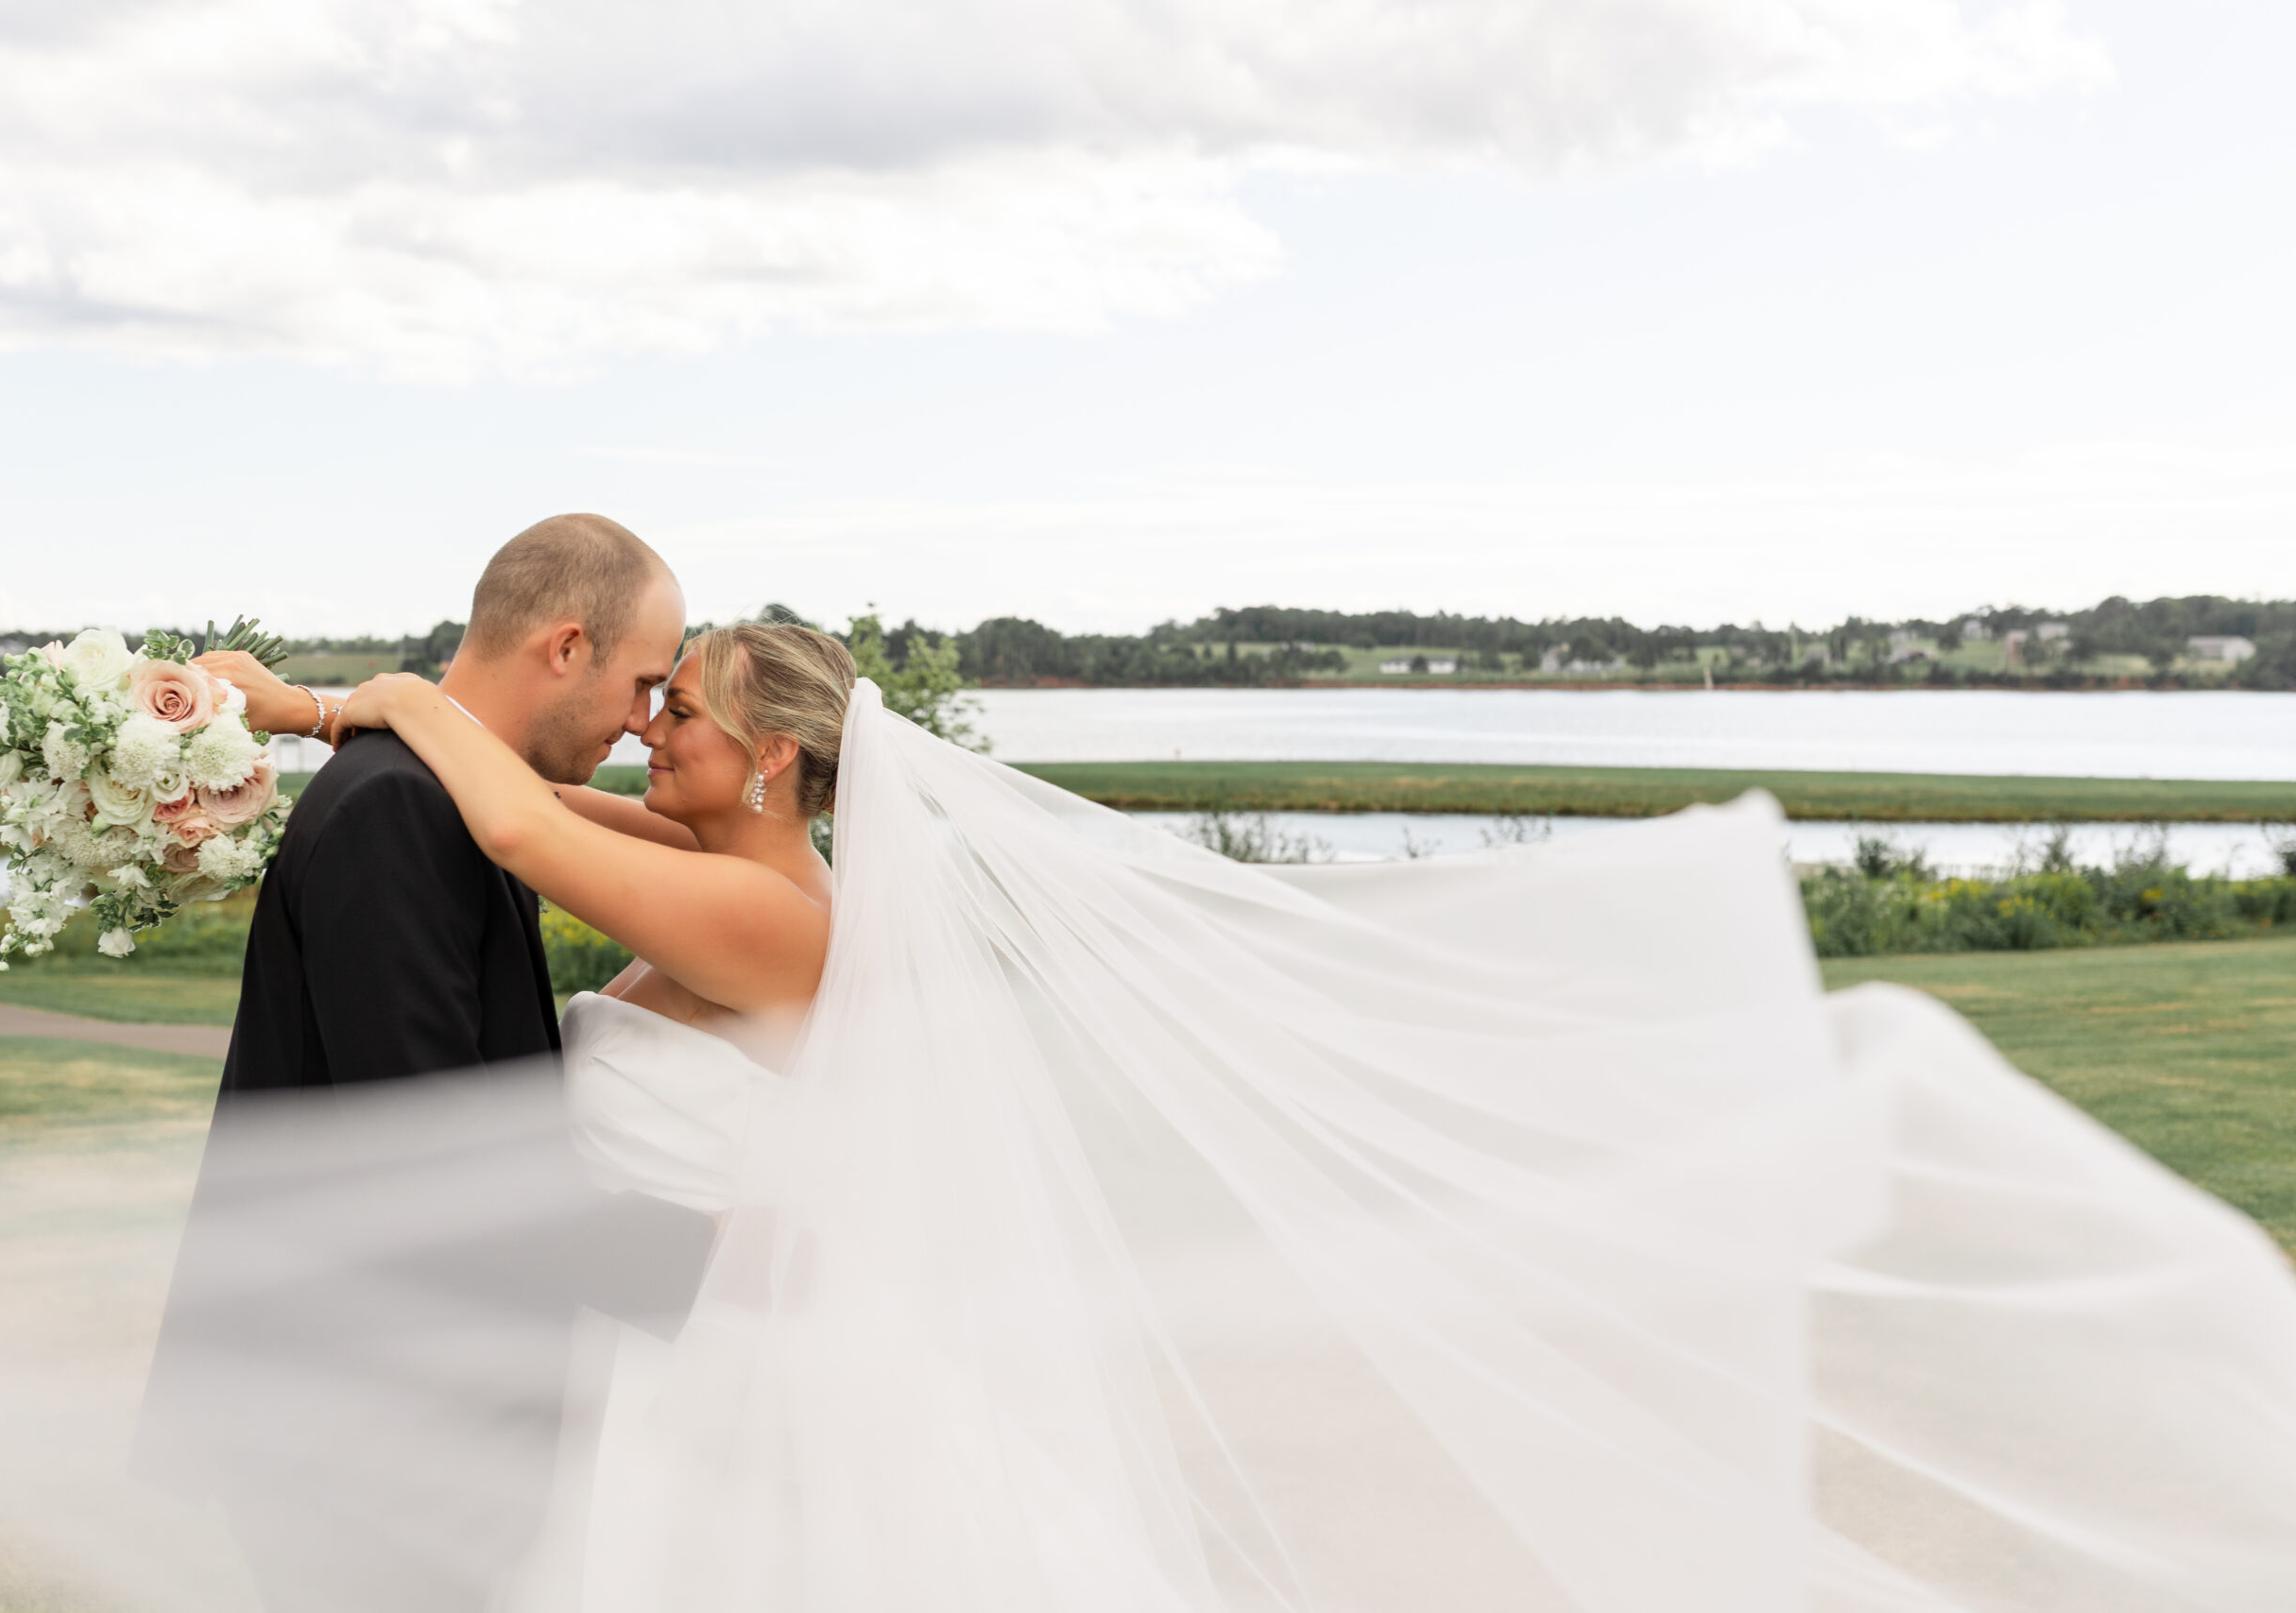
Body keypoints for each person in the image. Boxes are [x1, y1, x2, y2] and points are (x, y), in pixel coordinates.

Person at [300, 620, 2296, 1613]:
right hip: (703, 1347)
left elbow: (497, 811)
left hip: (739, 1370)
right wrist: (293, 725)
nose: (641, 721)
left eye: (676, 706)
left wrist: (395, 687)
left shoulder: (755, 909)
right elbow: (552, 804)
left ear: (772, 767)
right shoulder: (726, 855)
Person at [132, 514, 710, 1613]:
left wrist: (327, 709)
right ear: (566, 647)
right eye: (641, 684)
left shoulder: (452, 793)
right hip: (353, 1428)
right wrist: (715, 1266)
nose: (640, 725)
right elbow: (441, 1156)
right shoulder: (396, 810)